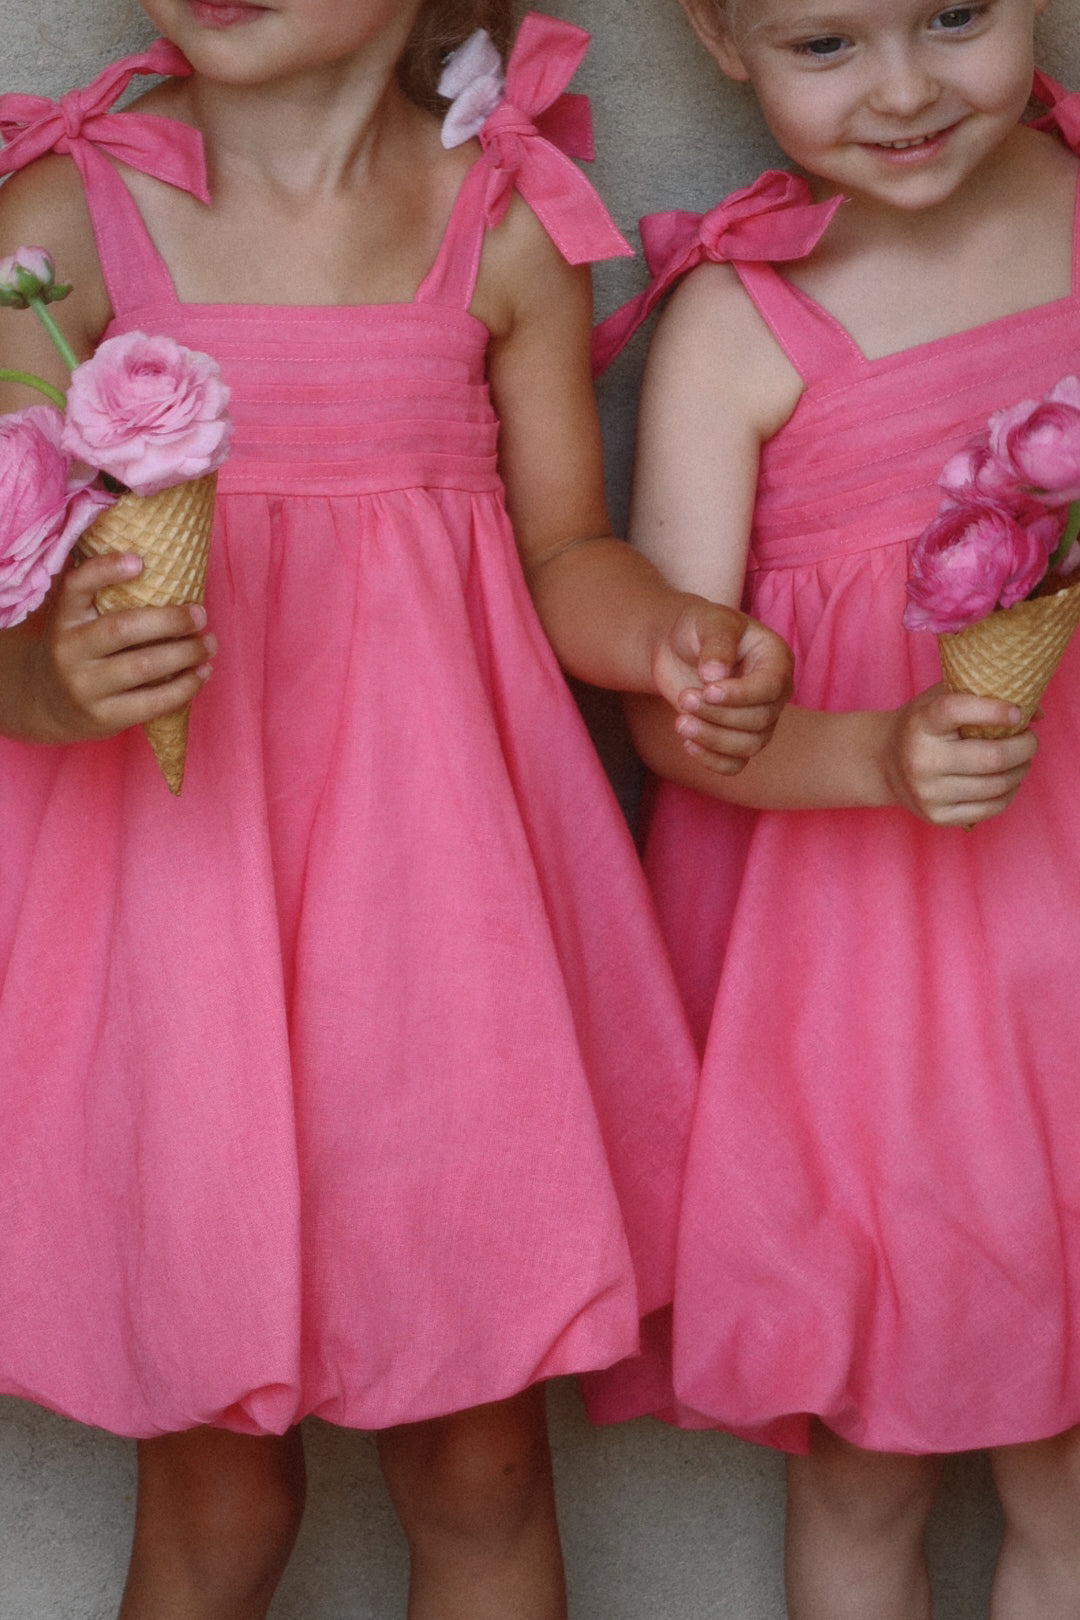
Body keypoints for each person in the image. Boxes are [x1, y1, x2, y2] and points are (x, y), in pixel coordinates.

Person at [0, 4, 793, 1616]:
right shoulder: (59, 221)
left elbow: (564, 554)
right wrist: (49, 681)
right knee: (217, 1481)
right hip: (172, 913)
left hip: (439, 922)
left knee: (478, 1459)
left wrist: (665, 635)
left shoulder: (499, 226)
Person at [588, 1, 1080, 1616]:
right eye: (826, 43)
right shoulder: (740, 327)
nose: (907, 87)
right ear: (719, 41)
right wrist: (871, 756)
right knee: (871, 1462)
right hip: (882, 1000)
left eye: (957, 13)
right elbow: (684, 725)